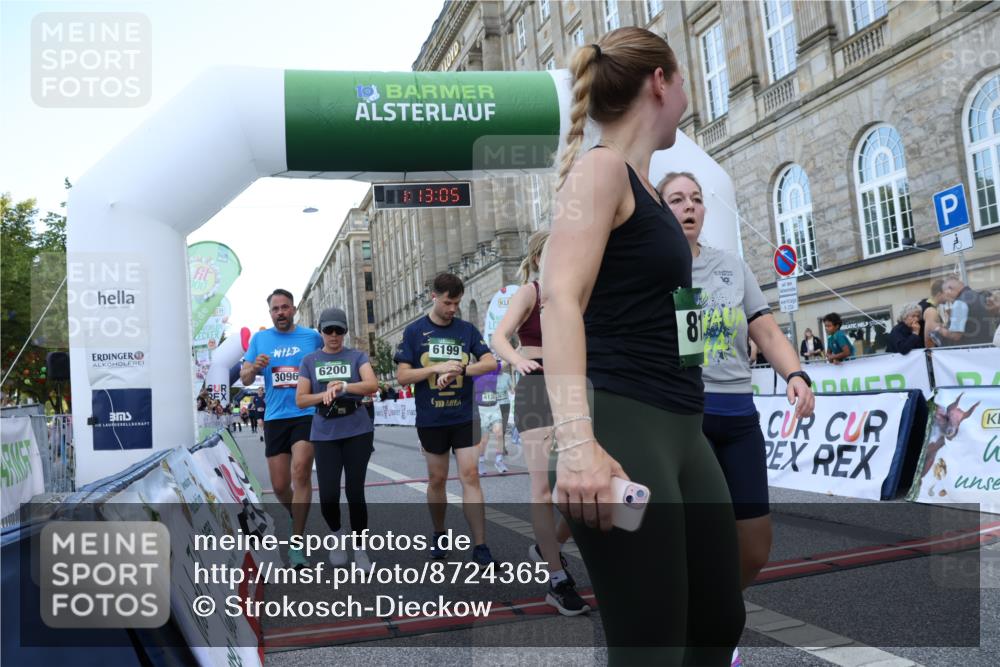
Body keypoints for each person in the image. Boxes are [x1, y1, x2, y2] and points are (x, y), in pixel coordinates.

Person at [541, 28, 745, 664]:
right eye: (682, 78)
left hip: (684, 424)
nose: (687, 91)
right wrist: (577, 447)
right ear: (661, 81)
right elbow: (559, 301)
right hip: (622, 427)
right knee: (651, 645)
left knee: (716, 619)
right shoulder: (599, 170)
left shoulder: (650, 187)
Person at [660, 171, 815, 596]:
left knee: (754, 546)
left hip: (739, 416)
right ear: (659, 209)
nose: (689, 206)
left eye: (695, 198)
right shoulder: (651, 270)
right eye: (676, 200)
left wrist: (796, 374)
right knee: (704, 538)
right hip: (687, 417)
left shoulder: (731, 265)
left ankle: (713, 613)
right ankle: (707, 633)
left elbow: (764, 330)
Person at [491, 228, 589, 616]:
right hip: (536, 388)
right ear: (537, 258)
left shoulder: (578, 291)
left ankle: (551, 546)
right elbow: (499, 337)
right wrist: (518, 362)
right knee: (544, 486)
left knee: (579, 482)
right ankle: (557, 578)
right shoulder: (529, 292)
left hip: (574, 388)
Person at [394, 273, 499, 567]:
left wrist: (461, 370)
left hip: (465, 414)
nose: (453, 308)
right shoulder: (415, 332)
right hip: (432, 417)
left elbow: (490, 362)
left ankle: (481, 546)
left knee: (471, 475)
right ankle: (439, 533)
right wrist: (435, 368)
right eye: (448, 302)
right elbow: (403, 375)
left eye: (457, 302)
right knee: (437, 479)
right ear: (434, 297)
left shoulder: (465, 330)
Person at [240, 289, 322, 568]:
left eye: (285, 307)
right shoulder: (260, 339)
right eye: (275, 309)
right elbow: (245, 375)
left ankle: (297, 545)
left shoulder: (311, 337)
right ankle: (295, 515)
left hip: (305, 412)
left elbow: (326, 363)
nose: (280, 313)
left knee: (301, 471)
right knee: (278, 486)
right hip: (275, 416)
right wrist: (254, 368)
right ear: (270, 313)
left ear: (294, 309)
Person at [296, 307, 378, 569]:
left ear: (345, 331)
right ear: (320, 331)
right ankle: (337, 535)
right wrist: (324, 395)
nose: (333, 335)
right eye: (328, 330)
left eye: (339, 330)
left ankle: (361, 549)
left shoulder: (357, 356)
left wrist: (343, 386)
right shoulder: (310, 360)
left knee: (355, 492)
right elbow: (301, 400)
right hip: (324, 432)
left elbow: (372, 385)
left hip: (357, 429)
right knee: (328, 495)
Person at [938, 274, 995, 345]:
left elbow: (955, 335)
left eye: (945, 293)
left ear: (950, 288)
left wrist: (940, 330)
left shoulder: (959, 302)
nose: (946, 298)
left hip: (971, 351)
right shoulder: (980, 297)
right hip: (991, 349)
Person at [474, 361, 508, 475]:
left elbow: (507, 361)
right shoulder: (474, 372)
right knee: (484, 440)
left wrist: (518, 347)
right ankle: (481, 462)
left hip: (494, 407)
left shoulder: (493, 369)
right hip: (481, 409)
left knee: (499, 433)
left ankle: (499, 461)